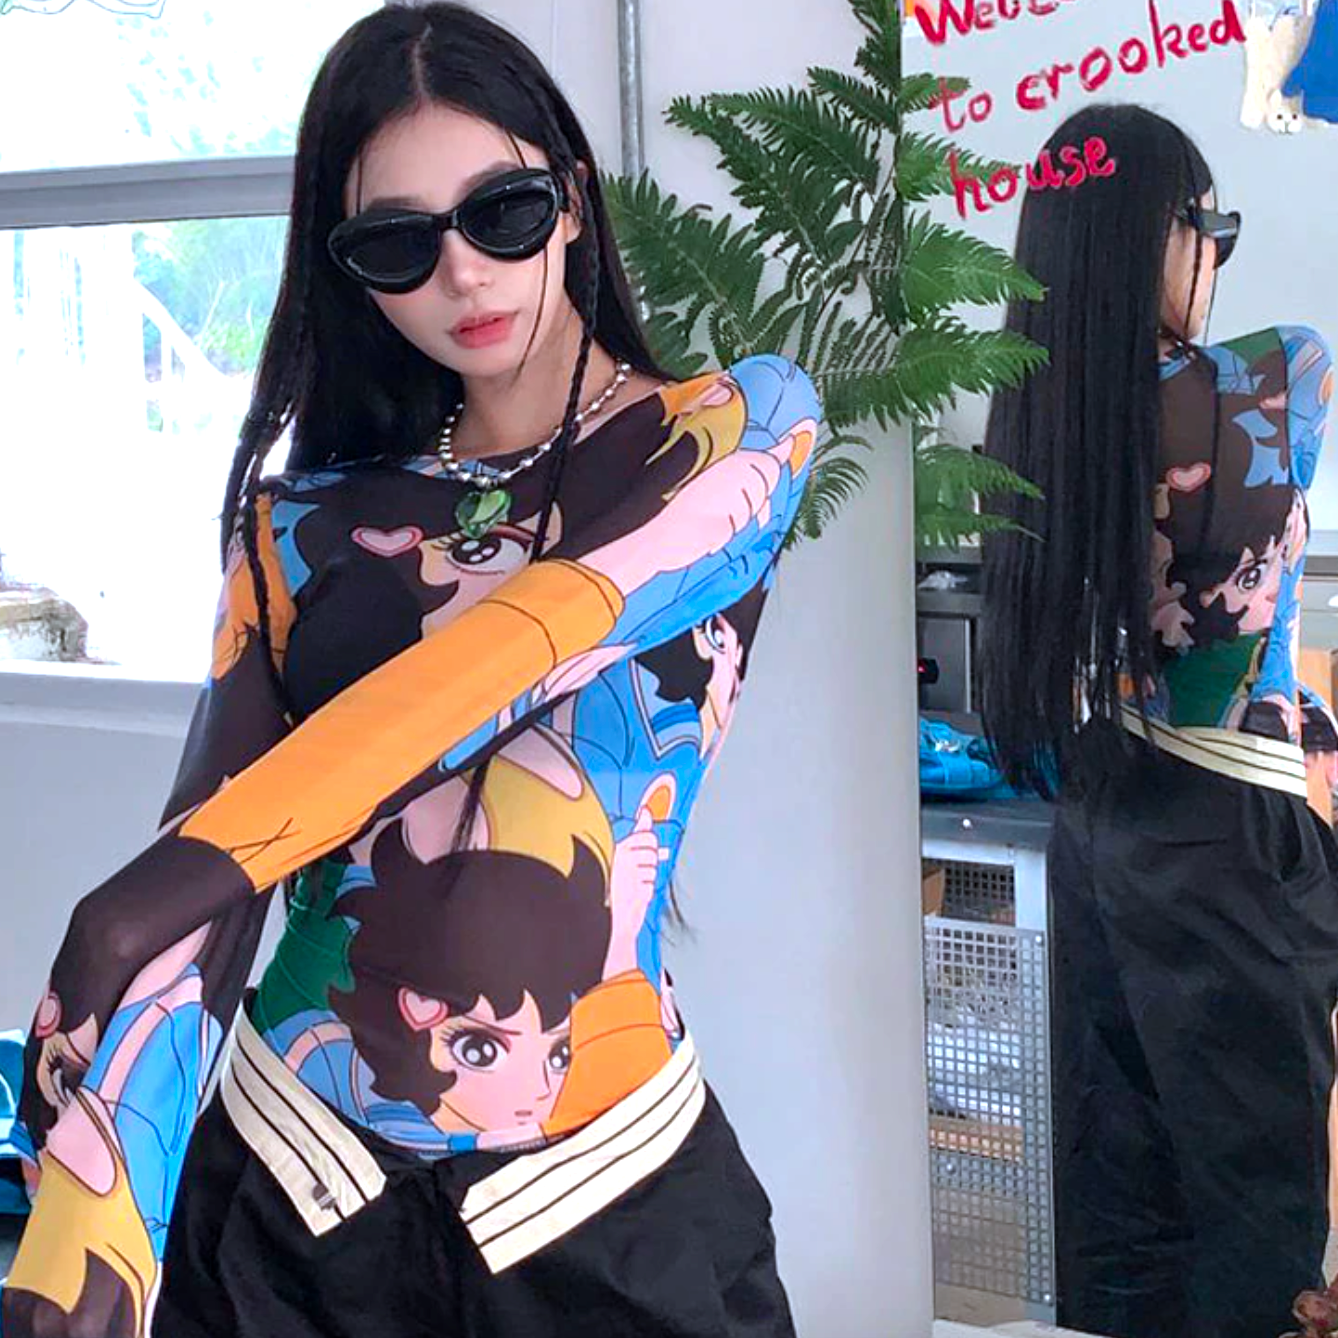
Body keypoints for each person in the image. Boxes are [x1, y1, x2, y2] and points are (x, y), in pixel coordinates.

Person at [0, 6, 822, 1336]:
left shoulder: (730, 439)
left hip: (609, 1198)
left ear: (571, 199)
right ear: (348, 269)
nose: (462, 274)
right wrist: (78, 1257)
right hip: (285, 1195)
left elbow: (527, 645)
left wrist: (152, 892)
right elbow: (201, 925)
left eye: (500, 212)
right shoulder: (300, 520)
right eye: (397, 242)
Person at [980, 103, 1338, 1338]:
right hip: (1228, 833)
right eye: (1212, 227)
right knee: (1255, 1207)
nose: (1218, 256)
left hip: (1103, 810)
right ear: (1161, 232)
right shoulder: (1266, 380)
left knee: (1121, 1187)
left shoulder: (1030, 417)